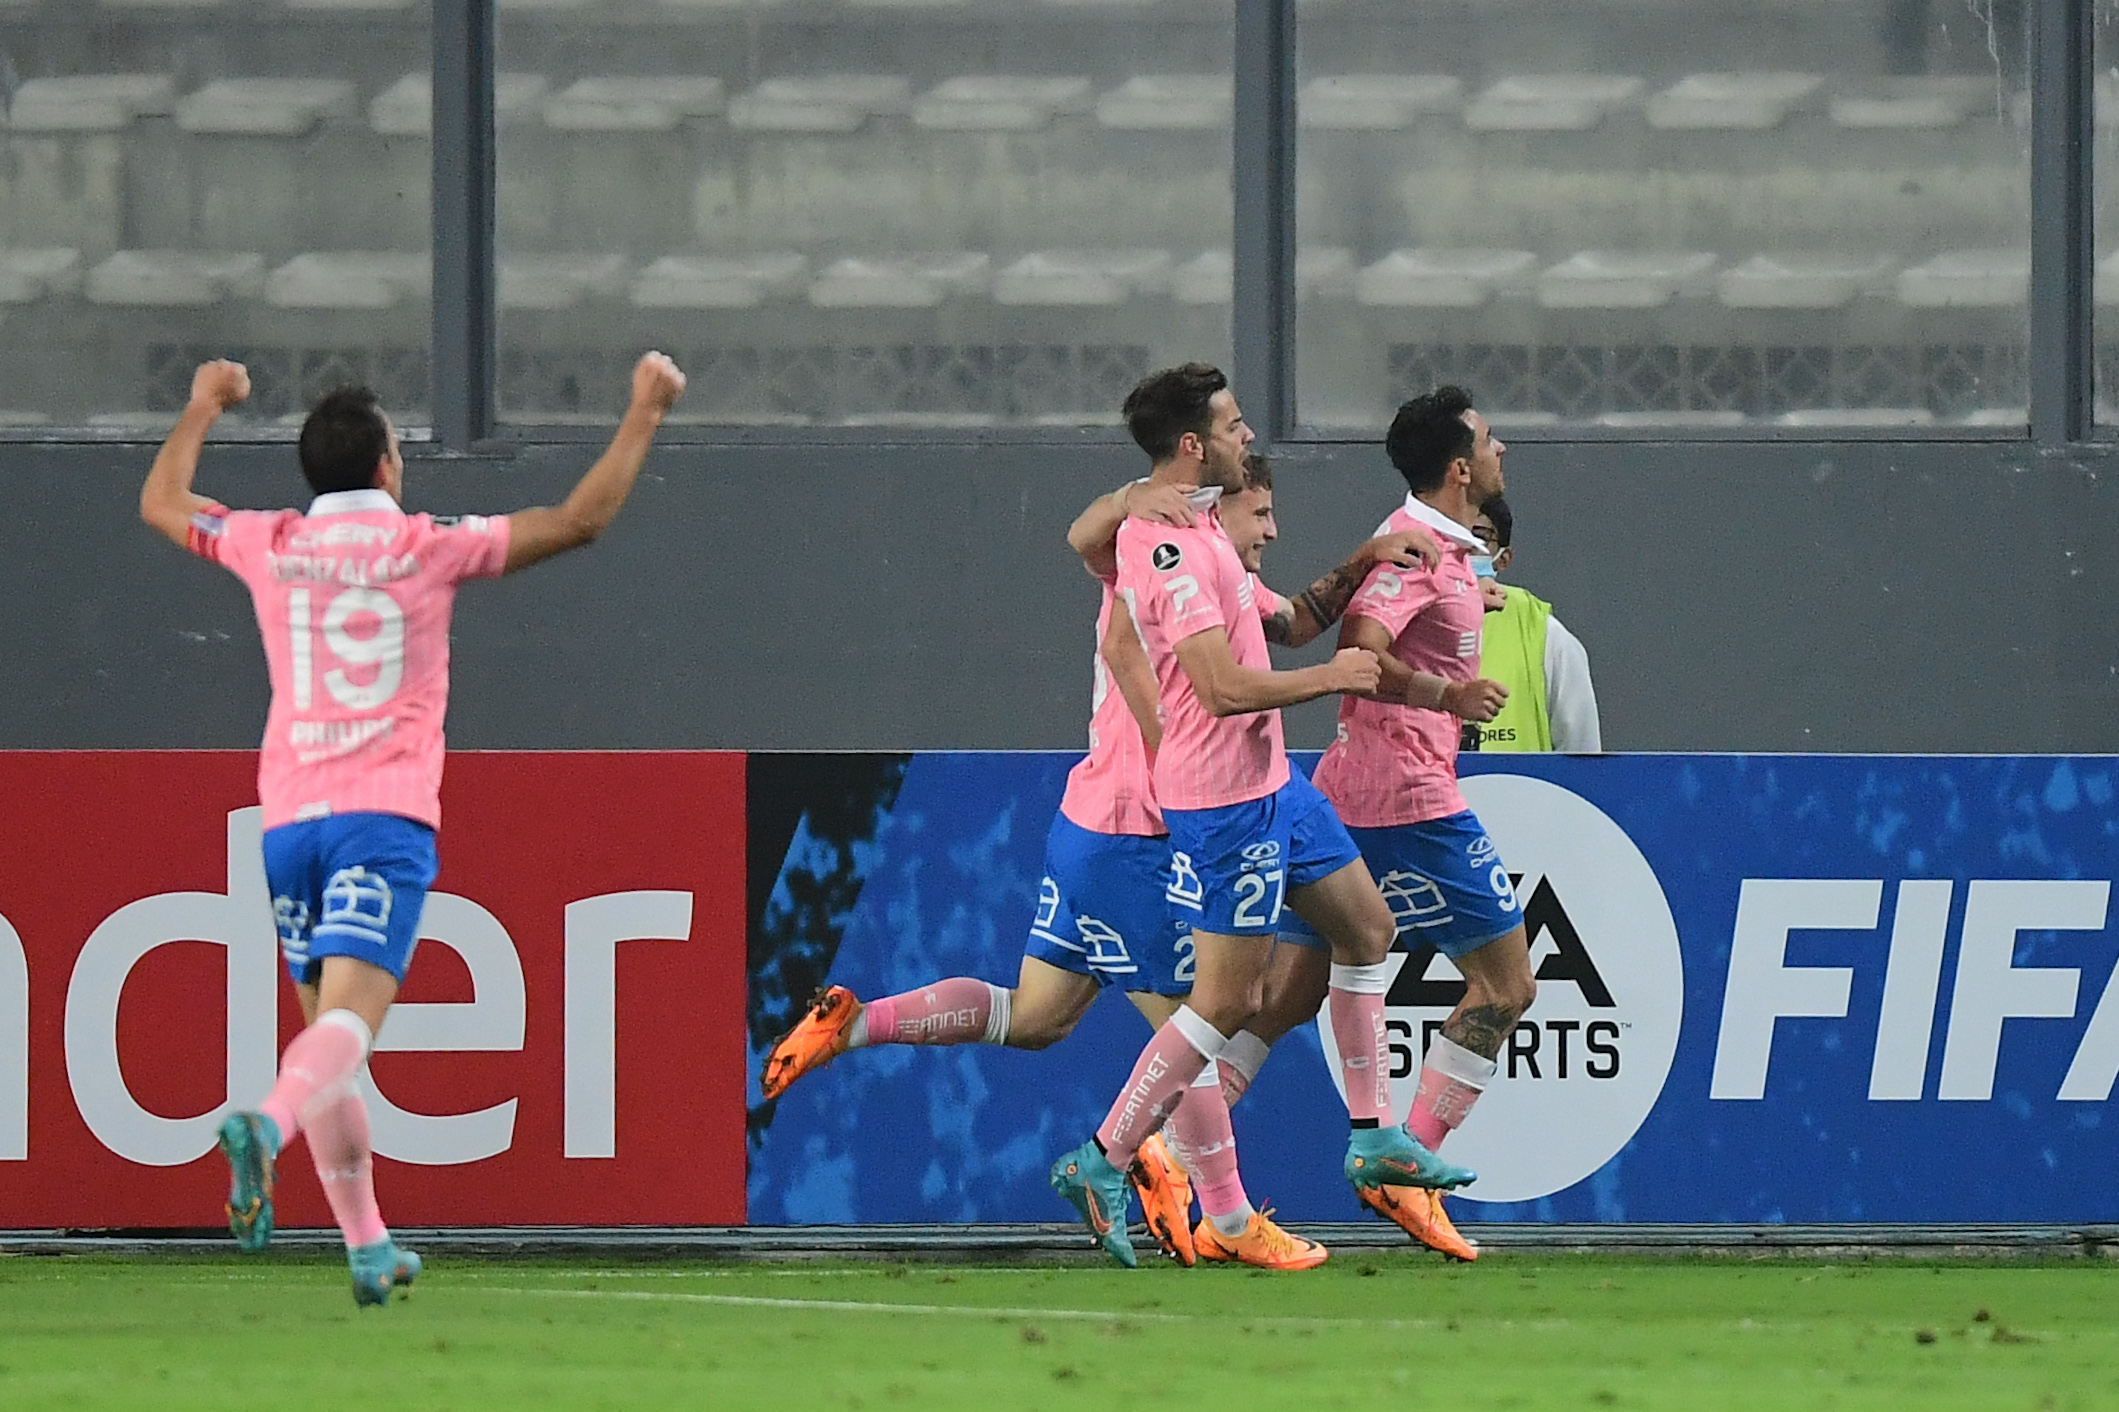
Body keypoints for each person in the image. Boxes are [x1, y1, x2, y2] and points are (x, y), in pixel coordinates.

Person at [760, 451, 1440, 1271]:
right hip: (1134, 834)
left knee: (1039, 1015)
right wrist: (1179, 760)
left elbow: (1290, 619)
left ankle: (856, 1021)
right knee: (1201, 1020)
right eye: (1259, 513)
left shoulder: (1209, 575)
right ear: (1212, 509)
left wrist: (1363, 558)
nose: (1271, 529)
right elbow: (1128, 625)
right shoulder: (1161, 573)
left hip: (1093, 823)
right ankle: (1222, 1218)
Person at [138, 352, 687, 1305]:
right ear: (390, 468)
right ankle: (266, 1124)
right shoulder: (429, 544)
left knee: (330, 1041)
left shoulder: (266, 540)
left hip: (288, 826)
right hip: (380, 817)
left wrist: (201, 405)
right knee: (349, 1029)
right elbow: (579, 520)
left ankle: (366, 1247)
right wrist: (643, 410)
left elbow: (163, 501)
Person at [1048, 363, 1468, 1270]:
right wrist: (1335, 680)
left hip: (1276, 783)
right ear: (1194, 444)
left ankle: (1372, 1137)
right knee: (1226, 999)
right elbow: (1220, 685)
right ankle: (1104, 1157)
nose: (1249, 435)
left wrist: (1362, 558)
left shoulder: (1202, 523)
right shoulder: (1160, 547)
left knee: (1368, 927)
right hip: (1223, 802)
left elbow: (1280, 627)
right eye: (1234, 424)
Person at [1289, 386, 1535, 1263]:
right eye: (1490, 438)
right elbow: (1357, 645)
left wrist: (1471, 606)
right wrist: (1447, 694)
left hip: (1358, 791)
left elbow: (1405, 617)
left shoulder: (1447, 556)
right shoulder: (1420, 549)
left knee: (1270, 996)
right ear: (1461, 468)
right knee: (1506, 987)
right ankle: (1408, 1162)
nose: (1505, 447)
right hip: (1407, 799)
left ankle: (1157, 1151)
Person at [1468, 495, 1602, 753]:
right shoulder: (1400, 629)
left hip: (1520, 792)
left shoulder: (1546, 637)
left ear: (1503, 559)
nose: (1461, 548)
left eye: (1478, 537)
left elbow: (1582, 755)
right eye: (1449, 535)